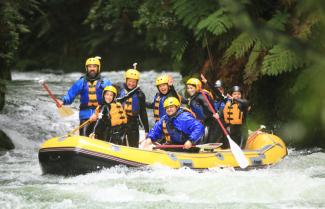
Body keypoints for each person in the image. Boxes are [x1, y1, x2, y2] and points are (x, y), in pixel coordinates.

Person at [58, 57, 112, 136]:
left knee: (99, 134)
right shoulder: (81, 82)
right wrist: (63, 101)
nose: (92, 69)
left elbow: (111, 98)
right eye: (90, 66)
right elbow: (70, 95)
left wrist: (100, 113)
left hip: (101, 114)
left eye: (94, 66)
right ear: (87, 68)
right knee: (84, 134)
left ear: (98, 68)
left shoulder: (106, 82)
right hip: (85, 115)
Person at [140, 97, 204, 151]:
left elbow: (199, 127)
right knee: (162, 149)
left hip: (190, 145)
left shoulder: (185, 118)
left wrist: (190, 141)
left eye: (171, 107)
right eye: (167, 108)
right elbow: (156, 130)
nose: (169, 109)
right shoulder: (165, 118)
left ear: (177, 107)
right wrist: (149, 139)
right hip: (176, 144)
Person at [117, 63, 149, 147]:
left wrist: (146, 130)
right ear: (126, 80)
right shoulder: (119, 89)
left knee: (134, 146)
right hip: (120, 121)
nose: (131, 83)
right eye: (129, 81)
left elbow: (143, 113)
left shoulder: (140, 95)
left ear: (137, 82)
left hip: (133, 123)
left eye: (134, 82)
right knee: (120, 144)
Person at [186, 78, 223, 144]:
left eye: (191, 88)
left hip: (211, 119)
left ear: (197, 87)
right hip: (203, 121)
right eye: (188, 88)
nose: (189, 90)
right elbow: (186, 101)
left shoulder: (201, 96)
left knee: (209, 135)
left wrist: (213, 113)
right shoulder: (193, 98)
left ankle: (209, 144)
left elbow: (207, 104)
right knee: (203, 135)